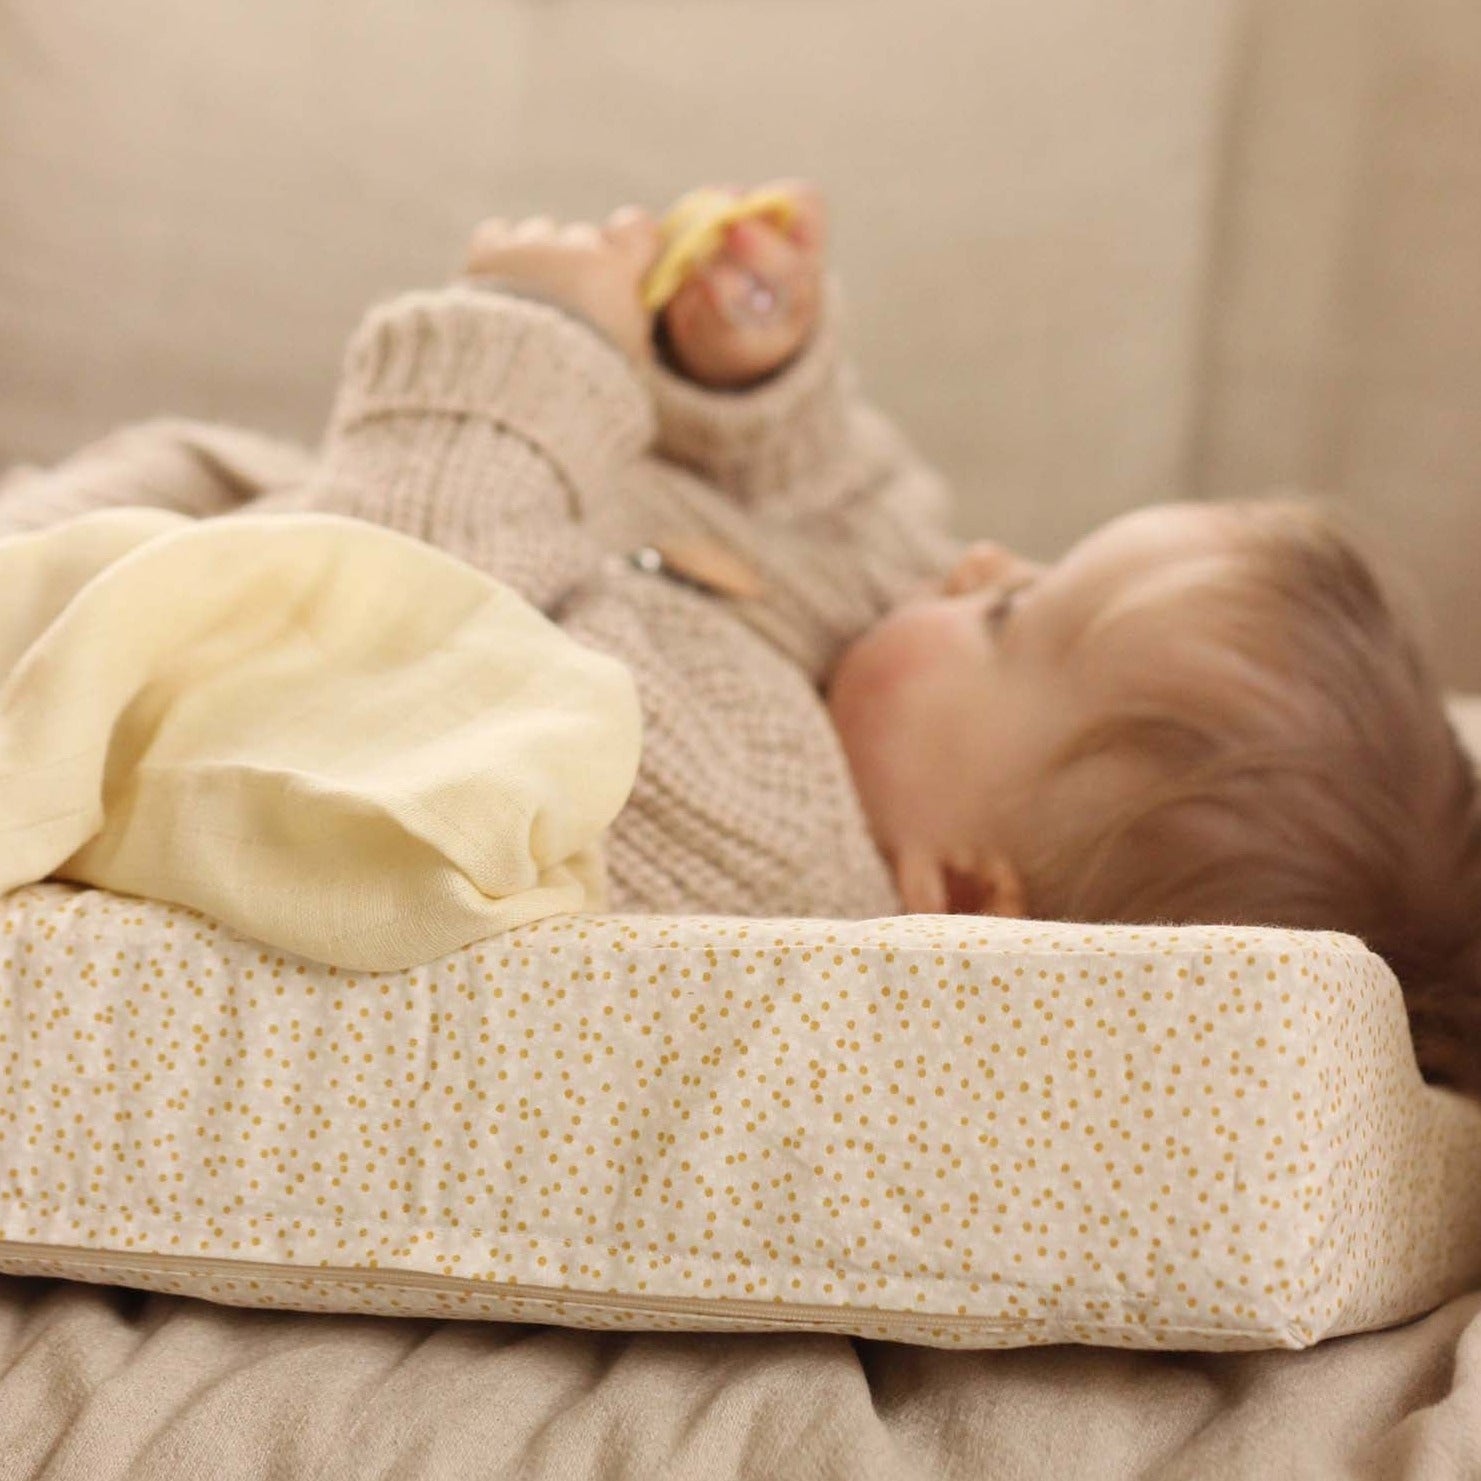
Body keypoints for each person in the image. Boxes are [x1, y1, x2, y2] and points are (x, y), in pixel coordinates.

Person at [2, 179, 1478, 1095]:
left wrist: (525, 339)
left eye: (1019, 609)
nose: (968, 561)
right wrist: (756, 383)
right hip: (149, 527)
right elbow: (850, 518)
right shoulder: (894, 699)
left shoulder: (764, 827)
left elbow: (411, 635)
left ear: (962, 896)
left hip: (83, 629)